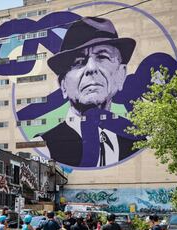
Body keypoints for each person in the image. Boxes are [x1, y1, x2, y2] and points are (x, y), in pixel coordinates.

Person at [33, 17, 139, 167]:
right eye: (78, 62)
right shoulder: (43, 147)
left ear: (121, 75)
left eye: (102, 57)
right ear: (63, 85)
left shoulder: (138, 142)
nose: (91, 68)